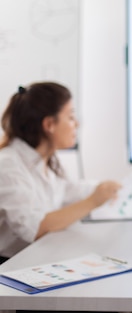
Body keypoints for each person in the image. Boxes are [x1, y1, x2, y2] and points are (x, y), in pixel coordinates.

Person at [0, 82, 121, 263]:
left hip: (36, 258)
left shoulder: (42, 160)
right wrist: (93, 201)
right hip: (11, 266)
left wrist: (106, 189)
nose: (77, 124)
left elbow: (67, 191)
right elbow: (35, 228)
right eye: (71, 117)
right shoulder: (8, 165)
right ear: (49, 124)